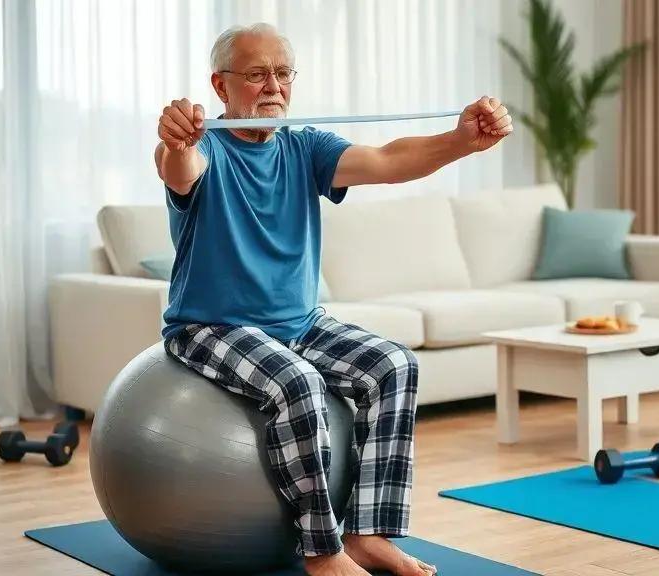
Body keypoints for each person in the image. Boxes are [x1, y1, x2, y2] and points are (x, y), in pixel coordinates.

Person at [155, 23, 513, 576]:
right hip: (210, 326)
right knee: (298, 382)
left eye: (282, 73)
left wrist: (462, 140)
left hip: (297, 323)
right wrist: (176, 141)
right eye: (255, 74)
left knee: (393, 366)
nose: (272, 86)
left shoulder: (304, 147)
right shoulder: (204, 148)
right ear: (220, 85)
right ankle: (322, 551)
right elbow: (179, 170)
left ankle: (369, 534)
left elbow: (390, 162)